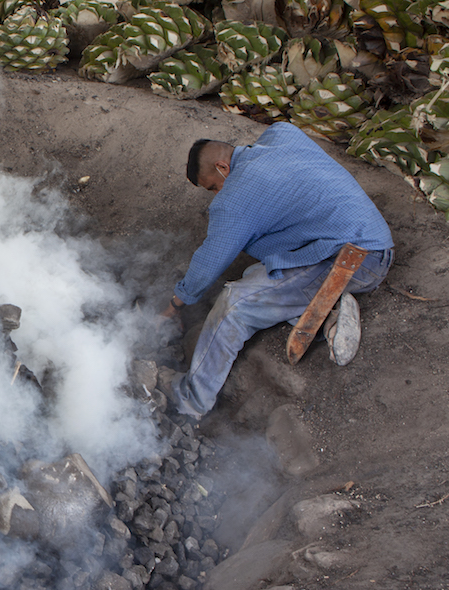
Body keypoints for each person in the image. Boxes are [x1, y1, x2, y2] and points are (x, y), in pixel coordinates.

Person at [160, 122, 394, 420]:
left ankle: (192, 399)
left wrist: (174, 305)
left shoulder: (234, 197)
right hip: (368, 240)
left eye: (213, 186)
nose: (217, 193)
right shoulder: (282, 134)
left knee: (235, 304)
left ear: (222, 167)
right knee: (261, 275)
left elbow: (209, 261)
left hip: (355, 260)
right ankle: (328, 314)